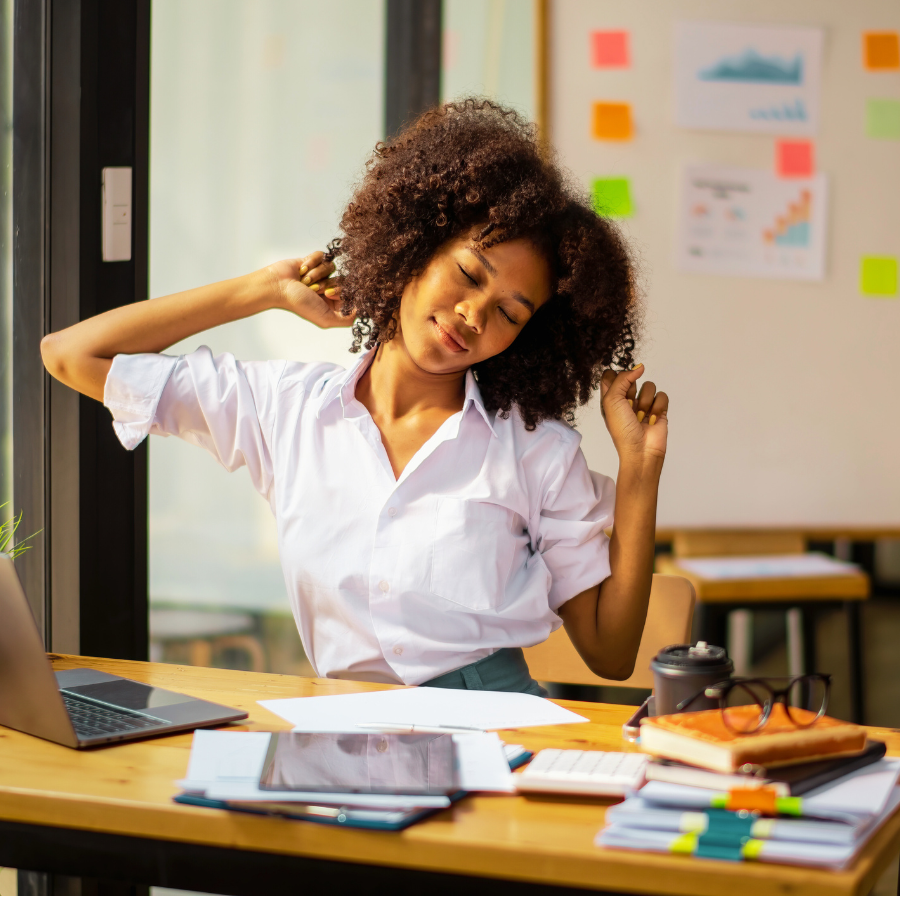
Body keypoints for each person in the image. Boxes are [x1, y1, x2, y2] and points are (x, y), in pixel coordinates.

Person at [41, 100, 668, 696]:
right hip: (338, 730)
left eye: (509, 312)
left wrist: (640, 471)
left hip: (491, 731)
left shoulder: (535, 453)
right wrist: (262, 289)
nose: (473, 315)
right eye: (469, 274)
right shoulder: (285, 410)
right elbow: (71, 355)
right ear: (419, 244)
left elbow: (610, 655)